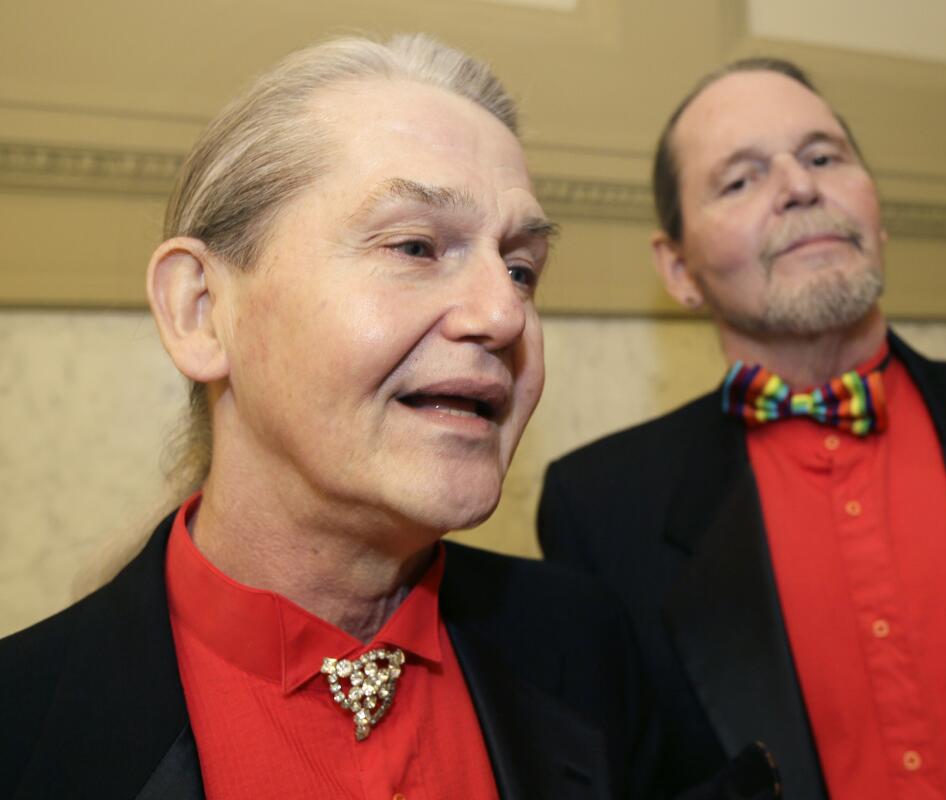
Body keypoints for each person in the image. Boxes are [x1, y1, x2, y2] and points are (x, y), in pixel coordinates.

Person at [0, 34, 665, 800]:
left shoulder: (586, 651)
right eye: (416, 246)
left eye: (521, 268)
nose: (503, 312)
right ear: (203, 311)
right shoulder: (24, 735)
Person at [538, 57, 946, 799]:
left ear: (877, 213)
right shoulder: (598, 511)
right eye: (741, 178)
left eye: (824, 156)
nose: (799, 186)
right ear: (679, 270)